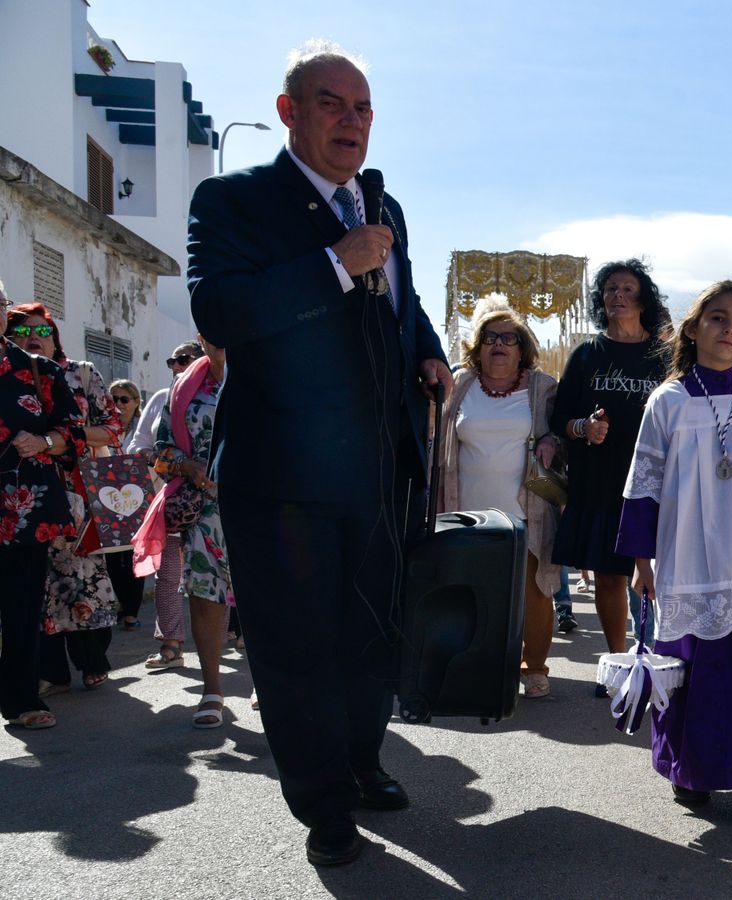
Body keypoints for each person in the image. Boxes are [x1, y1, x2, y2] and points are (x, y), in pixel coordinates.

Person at [187, 41, 452, 866]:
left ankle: (362, 760)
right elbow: (221, 309)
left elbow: (399, 308)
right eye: (332, 103)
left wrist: (430, 348)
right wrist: (335, 264)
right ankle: (323, 807)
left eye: (363, 108)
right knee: (298, 647)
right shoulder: (235, 201)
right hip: (283, 480)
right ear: (288, 112)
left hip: (379, 472)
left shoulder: (384, 208)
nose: (352, 121)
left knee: (370, 637)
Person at [618, 280, 732, 826]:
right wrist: (640, 560)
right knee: (685, 670)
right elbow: (643, 482)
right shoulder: (666, 400)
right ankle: (686, 769)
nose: (729, 329)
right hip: (684, 557)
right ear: (693, 329)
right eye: (718, 318)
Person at [433, 299, 562, 698]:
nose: (499, 344)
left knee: (533, 592)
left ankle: (535, 666)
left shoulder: (543, 388)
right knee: (471, 591)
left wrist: (550, 440)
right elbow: (437, 440)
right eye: (491, 338)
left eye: (509, 337)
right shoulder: (460, 384)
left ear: (522, 347)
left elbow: (559, 434)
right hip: (467, 513)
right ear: (478, 346)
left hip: (526, 511)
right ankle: (475, 662)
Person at [551, 258, 670, 674]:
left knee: (659, 577)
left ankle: (656, 657)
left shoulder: (664, 356)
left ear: (644, 300)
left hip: (658, 483)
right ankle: (621, 661)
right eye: (610, 289)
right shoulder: (586, 354)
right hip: (599, 481)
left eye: (628, 289)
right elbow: (559, 417)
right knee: (608, 577)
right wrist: (585, 427)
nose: (618, 296)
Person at [7, 304, 121, 696]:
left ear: (56, 336)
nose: (32, 337)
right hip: (26, 495)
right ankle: (51, 671)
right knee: (41, 586)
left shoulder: (81, 372)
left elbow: (112, 427)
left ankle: (92, 660)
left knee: (81, 577)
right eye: (22, 332)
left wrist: (63, 440)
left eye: (42, 330)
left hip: (78, 489)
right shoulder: (12, 374)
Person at [134, 339, 234, 727]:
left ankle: (266, 681)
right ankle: (212, 689)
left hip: (263, 505)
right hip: (206, 507)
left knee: (266, 597)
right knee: (205, 596)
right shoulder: (184, 387)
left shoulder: (267, 371)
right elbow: (161, 451)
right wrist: (190, 466)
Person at [0, 281, 85, 730]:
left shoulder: (38, 372)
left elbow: (74, 429)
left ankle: (20, 699)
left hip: (23, 508)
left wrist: (46, 441)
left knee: (20, 607)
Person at [105, 378, 147, 631]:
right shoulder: (103, 427)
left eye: (124, 399)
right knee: (112, 556)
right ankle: (123, 603)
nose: (118, 404)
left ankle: (131, 611)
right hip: (108, 496)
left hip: (137, 496)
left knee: (133, 556)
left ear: (135, 402)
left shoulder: (141, 428)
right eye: (114, 399)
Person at [127, 341, 204, 455]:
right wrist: (157, 460)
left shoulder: (214, 398)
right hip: (163, 471)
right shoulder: (161, 397)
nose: (175, 367)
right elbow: (137, 444)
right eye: (172, 362)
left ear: (201, 362)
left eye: (183, 360)